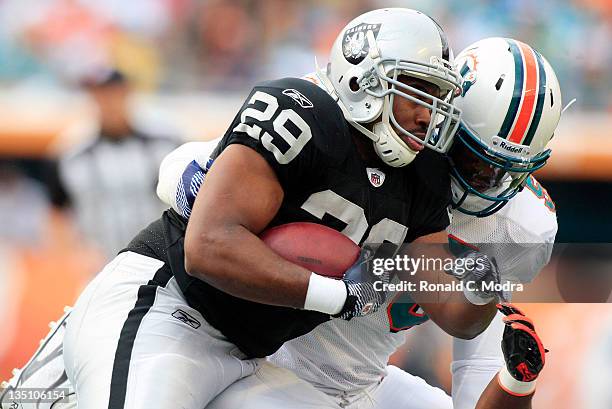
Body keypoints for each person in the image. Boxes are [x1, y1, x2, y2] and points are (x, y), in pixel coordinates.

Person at [60, 8, 502, 409]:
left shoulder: (422, 173)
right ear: (362, 77)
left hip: (250, 355)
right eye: (417, 91)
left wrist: (484, 289)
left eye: (438, 97)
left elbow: (446, 301)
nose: (429, 114)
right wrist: (338, 294)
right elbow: (208, 246)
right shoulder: (300, 114)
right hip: (169, 305)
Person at [154, 37, 561, 409]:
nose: (480, 182)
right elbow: (177, 171)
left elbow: (475, 352)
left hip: (360, 382)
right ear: (436, 113)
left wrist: (515, 380)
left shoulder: (522, 226)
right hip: (256, 355)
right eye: (470, 157)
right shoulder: (372, 129)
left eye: (501, 171)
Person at [51, 68, 180, 258]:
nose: (108, 102)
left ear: (128, 93)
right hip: (99, 262)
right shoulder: (71, 152)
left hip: (158, 259)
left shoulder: (165, 142)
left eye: (114, 94)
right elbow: (57, 209)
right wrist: (71, 256)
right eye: (101, 95)